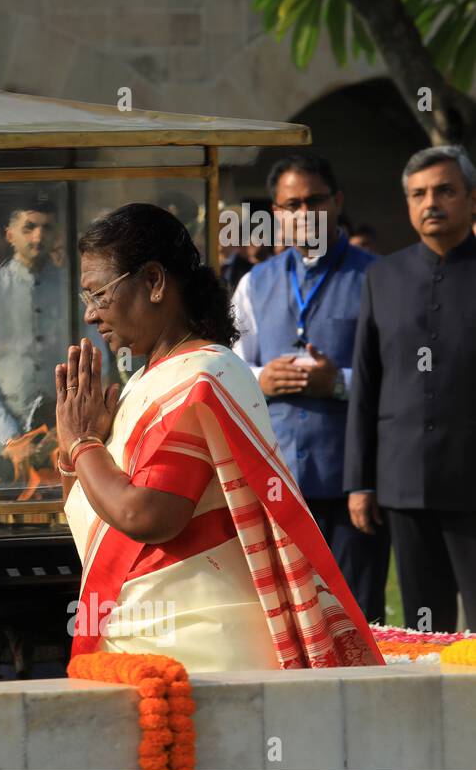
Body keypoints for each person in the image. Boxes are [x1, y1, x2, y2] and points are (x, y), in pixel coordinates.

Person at [57, 203, 383, 672]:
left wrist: (83, 444)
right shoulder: (144, 382)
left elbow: (147, 514)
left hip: (201, 653)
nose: (90, 315)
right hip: (138, 642)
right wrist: (74, 455)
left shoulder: (208, 373)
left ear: (153, 281)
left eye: (99, 295)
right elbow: (95, 521)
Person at [231, 154, 389, 623]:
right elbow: (227, 366)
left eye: (314, 201)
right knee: (287, 622)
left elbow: (405, 376)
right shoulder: (253, 283)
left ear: (337, 201)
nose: (303, 214)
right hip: (279, 481)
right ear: (276, 213)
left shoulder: (379, 277)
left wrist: (337, 383)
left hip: (353, 482)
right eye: (291, 204)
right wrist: (260, 378)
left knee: (361, 619)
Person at [346, 145, 476, 634]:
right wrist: (360, 481)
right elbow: (366, 382)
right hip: (405, 482)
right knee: (426, 631)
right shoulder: (383, 276)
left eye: (445, 190)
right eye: (419, 193)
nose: (431, 202)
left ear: (471, 198)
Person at [0, 202, 70, 485]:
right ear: (10, 235)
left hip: (64, 443)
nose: (38, 237)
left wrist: (67, 428)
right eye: (29, 227)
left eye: (46, 228)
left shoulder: (73, 288)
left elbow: (96, 361)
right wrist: (9, 435)